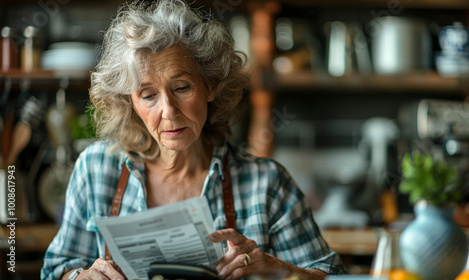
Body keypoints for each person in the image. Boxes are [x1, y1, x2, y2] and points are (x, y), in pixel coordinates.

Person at [41, 0, 344, 279]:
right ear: (129, 101)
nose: (168, 111)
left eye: (182, 87)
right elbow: (55, 268)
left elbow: (331, 274)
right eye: (148, 95)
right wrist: (80, 277)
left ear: (210, 85)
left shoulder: (266, 182)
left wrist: (276, 267)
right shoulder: (96, 169)